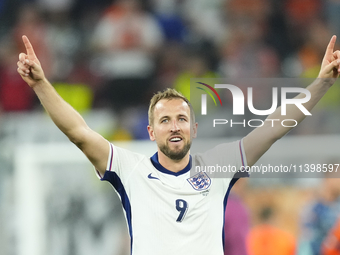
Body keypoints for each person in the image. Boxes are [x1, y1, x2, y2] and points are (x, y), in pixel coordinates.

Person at [17, 35, 340, 255]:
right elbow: (79, 132)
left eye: (181, 119)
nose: (174, 126)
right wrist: (41, 84)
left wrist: (322, 82)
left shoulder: (217, 166)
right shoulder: (131, 169)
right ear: (151, 131)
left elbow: (273, 126)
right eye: (165, 120)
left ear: (194, 129)